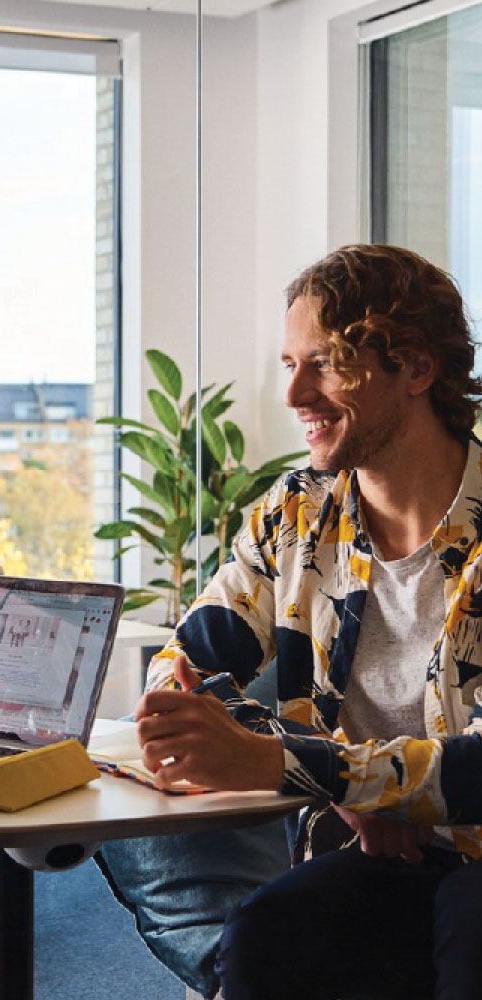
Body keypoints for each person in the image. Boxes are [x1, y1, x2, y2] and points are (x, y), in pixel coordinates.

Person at [126, 244, 482, 1000]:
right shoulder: (297, 514)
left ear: (415, 369)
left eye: (324, 362)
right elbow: (180, 663)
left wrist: (315, 770)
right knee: (266, 936)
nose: (293, 393)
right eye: (290, 362)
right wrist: (354, 786)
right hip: (382, 851)